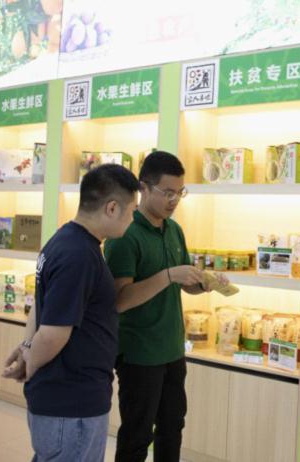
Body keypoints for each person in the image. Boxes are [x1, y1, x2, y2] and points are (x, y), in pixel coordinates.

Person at [1, 164, 140, 462]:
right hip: (71, 403)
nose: (133, 220)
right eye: (132, 211)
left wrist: (27, 349)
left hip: (64, 399)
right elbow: (53, 333)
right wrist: (31, 364)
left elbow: (42, 307)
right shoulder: (79, 255)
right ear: (112, 208)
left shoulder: (64, 239)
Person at [104, 151, 228, 462]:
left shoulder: (174, 230)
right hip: (139, 353)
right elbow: (119, 300)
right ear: (144, 188)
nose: (174, 201)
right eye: (168, 192)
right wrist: (169, 275)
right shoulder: (124, 234)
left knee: (172, 428)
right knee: (136, 436)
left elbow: (183, 283)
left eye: (180, 193)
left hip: (172, 348)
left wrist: (204, 283)